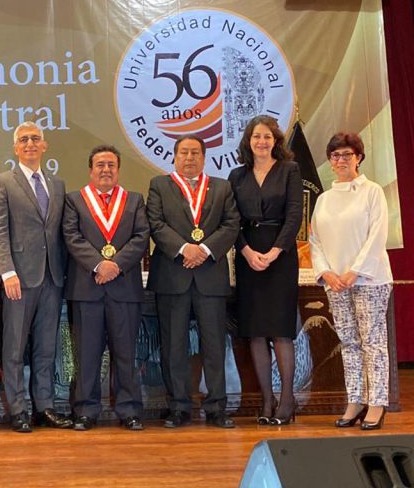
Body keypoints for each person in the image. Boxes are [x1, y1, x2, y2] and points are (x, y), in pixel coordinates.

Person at [146, 134, 240, 429]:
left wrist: (205, 250)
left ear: (204, 157)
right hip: (173, 275)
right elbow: (156, 224)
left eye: (195, 153)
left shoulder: (222, 187)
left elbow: (231, 224)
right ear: (174, 157)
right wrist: (185, 249)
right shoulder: (159, 186)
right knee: (173, 345)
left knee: (214, 345)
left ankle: (216, 407)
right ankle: (178, 407)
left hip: (210, 276)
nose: (189, 158)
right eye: (184, 152)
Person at [0, 121, 72, 432]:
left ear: (45, 145)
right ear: (15, 148)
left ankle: (45, 407)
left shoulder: (57, 184)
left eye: (35, 138)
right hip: (18, 279)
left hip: (52, 277)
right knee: (13, 347)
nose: (30, 144)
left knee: (46, 347)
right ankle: (19, 409)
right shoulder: (3, 182)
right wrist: (6, 271)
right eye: (23, 139)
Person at [62, 145, 149, 431]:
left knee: (126, 353)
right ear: (91, 169)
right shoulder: (74, 200)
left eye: (111, 164)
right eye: (100, 164)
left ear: (118, 169)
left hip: (124, 288)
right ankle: (86, 410)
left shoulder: (134, 200)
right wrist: (100, 265)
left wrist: (115, 265)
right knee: (87, 355)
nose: (106, 170)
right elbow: (72, 237)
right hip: (87, 289)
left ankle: (129, 410)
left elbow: (141, 237)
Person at [309, 132, 393, 431]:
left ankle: (377, 403)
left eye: (347, 154)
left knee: (373, 344)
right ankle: (355, 400)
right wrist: (327, 273)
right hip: (336, 282)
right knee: (349, 344)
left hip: (369, 280)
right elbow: (314, 240)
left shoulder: (372, 192)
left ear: (358, 157)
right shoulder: (324, 199)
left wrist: (354, 271)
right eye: (335, 156)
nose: (341, 160)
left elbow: (377, 235)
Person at [228, 115, 302, 425]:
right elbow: (231, 220)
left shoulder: (289, 170)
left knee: (280, 331)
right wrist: (245, 251)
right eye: (257, 136)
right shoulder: (237, 176)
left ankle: (287, 399)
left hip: (280, 256)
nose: (262, 141)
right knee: (256, 332)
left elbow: (295, 215)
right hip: (248, 257)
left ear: (276, 141)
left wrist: (273, 252)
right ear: (248, 141)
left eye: (268, 137)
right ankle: (266, 400)